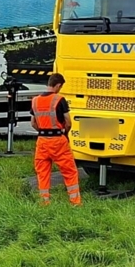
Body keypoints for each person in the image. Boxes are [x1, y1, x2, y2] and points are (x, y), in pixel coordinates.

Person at [31, 73, 81, 206]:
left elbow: (33, 123)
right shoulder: (59, 99)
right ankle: (75, 202)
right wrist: (64, 132)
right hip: (58, 140)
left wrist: (43, 131)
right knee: (69, 171)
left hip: (42, 141)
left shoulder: (35, 100)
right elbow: (68, 122)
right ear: (58, 85)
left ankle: (44, 201)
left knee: (42, 172)